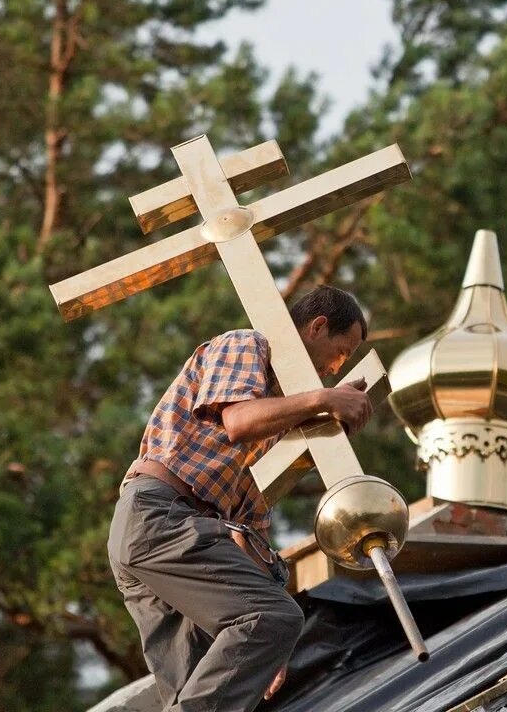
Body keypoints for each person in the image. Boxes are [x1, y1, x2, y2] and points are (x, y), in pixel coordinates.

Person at [107, 285, 373, 712]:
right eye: (340, 353)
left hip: (168, 532)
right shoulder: (248, 344)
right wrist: (324, 398)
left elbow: (246, 532)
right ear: (317, 326)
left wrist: (270, 648)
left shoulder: (276, 422)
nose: (334, 369)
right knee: (277, 617)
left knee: (195, 685)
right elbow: (237, 420)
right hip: (160, 517)